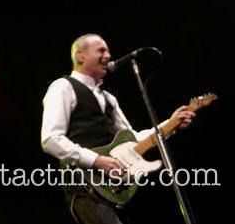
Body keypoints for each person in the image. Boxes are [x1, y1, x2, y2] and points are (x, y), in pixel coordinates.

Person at [41, 34, 195, 224]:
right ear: (81, 56)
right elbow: (50, 139)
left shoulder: (109, 98)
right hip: (85, 186)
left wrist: (171, 123)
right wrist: (97, 161)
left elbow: (133, 140)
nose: (108, 55)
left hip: (115, 188)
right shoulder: (63, 87)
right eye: (101, 50)